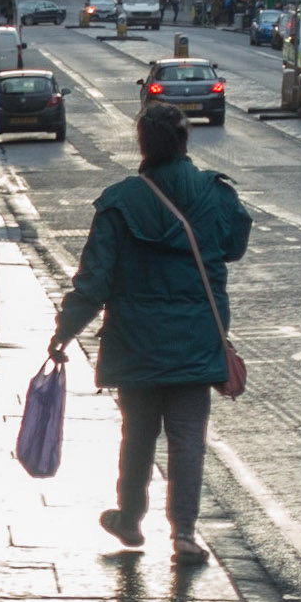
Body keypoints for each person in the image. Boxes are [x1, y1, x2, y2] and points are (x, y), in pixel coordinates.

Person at [47, 103, 251, 563]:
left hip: (135, 340)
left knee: (137, 434)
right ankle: (183, 534)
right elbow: (234, 247)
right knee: (187, 438)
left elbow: (94, 280)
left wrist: (64, 331)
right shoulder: (216, 194)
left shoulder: (119, 201)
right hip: (196, 339)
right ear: (184, 142)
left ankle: (130, 518)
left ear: (142, 144)